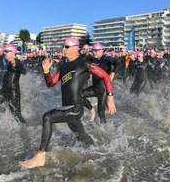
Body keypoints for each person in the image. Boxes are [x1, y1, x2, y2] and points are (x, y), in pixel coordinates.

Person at [19, 37, 116, 168]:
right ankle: (97, 153)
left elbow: (104, 75)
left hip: (75, 108)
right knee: (82, 136)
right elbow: (50, 83)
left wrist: (110, 97)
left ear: (75, 48)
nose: (63, 49)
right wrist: (46, 71)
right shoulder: (63, 66)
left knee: (47, 117)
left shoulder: (84, 63)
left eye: (66, 47)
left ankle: (40, 156)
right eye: (63, 46)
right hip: (67, 108)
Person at [0, 44, 26, 124]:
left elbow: (24, 71)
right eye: (4, 51)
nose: (4, 53)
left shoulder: (17, 61)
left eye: (6, 51)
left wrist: (16, 65)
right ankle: (5, 111)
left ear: (12, 52)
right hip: (4, 91)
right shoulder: (7, 62)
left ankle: (26, 130)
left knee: (17, 116)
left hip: (13, 93)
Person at [82, 43, 115, 123]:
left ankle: (105, 131)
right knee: (79, 95)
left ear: (102, 51)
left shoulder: (107, 59)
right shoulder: (92, 60)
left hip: (103, 91)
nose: (94, 52)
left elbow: (119, 64)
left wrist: (113, 73)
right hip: (94, 88)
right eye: (93, 50)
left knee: (101, 114)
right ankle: (92, 111)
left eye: (96, 50)